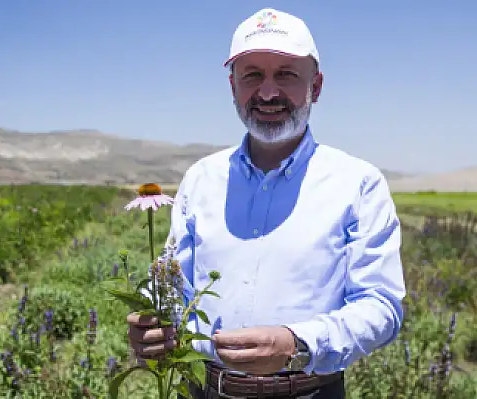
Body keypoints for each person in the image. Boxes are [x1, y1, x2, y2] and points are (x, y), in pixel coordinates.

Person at [127, 7, 406, 398]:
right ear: (232, 86)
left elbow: (382, 307)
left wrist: (297, 343)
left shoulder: (358, 184)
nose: (269, 92)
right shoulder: (200, 179)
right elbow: (176, 291)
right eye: (253, 75)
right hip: (204, 389)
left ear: (317, 86)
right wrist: (153, 329)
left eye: (287, 75)